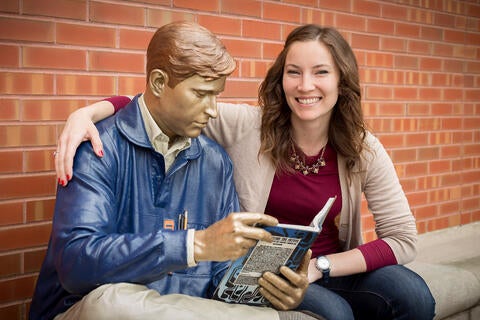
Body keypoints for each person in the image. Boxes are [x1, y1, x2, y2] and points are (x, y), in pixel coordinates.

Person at [54, 24, 436, 320]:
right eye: (293, 72)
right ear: (281, 78)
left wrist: (320, 268)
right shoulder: (245, 126)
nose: (306, 86)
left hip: (326, 265)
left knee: (412, 294)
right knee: (334, 314)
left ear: (341, 81)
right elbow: (160, 103)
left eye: (321, 72)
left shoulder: (362, 147)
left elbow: (402, 239)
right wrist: (91, 112)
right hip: (259, 267)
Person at [30, 21, 321, 320]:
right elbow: (76, 264)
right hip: (87, 311)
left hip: (182, 311)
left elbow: (222, 280)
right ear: (158, 83)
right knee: (111, 302)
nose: (212, 110)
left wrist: (271, 288)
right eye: (200, 94)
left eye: (216, 95)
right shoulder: (98, 147)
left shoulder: (215, 161)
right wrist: (194, 245)